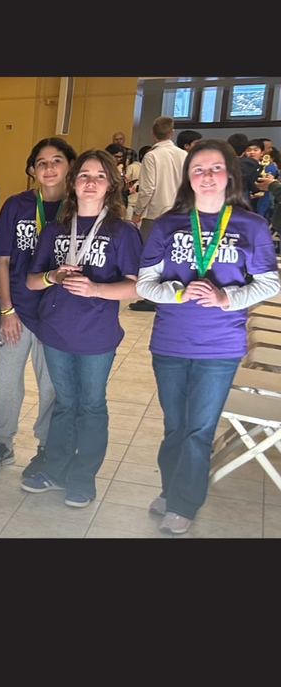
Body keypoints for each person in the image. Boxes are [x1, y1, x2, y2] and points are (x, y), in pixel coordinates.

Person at [135, 139, 280, 534]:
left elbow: (268, 284)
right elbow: (145, 284)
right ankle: (172, 489)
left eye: (215, 168)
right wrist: (179, 292)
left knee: (199, 430)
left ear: (230, 174)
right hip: (170, 342)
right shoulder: (168, 223)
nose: (207, 175)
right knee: (174, 428)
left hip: (221, 346)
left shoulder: (251, 226)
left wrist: (224, 297)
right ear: (188, 177)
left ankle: (184, 503)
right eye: (198, 168)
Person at [21, 149, 142, 508]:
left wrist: (96, 289)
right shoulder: (56, 228)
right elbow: (30, 282)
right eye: (84, 175)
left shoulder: (122, 232)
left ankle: (83, 477)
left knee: (90, 405)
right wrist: (52, 276)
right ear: (73, 182)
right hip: (56, 331)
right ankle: (55, 468)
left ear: (111, 185)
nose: (91, 182)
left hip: (97, 335)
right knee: (64, 403)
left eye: (100, 176)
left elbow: (137, 286)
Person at [0, 138, 77, 478]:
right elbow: (1, 261)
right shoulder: (17, 205)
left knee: (52, 388)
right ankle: (2, 444)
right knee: (4, 385)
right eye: (42, 162)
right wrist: (6, 310)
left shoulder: (78, 209)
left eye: (57, 161)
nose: (49, 168)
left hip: (57, 316)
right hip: (16, 311)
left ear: (69, 166)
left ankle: (46, 448)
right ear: (32, 169)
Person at [130, 116, 187, 311]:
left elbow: (147, 189)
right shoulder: (184, 155)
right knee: (176, 254)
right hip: (180, 212)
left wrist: (137, 212)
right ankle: (173, 293)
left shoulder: (152, 156)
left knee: (152, 256)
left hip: (156, 214)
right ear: (172, 133)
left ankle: (152, 298)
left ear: (152, 133)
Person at [244, 139, 273, 215]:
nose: (252, 153)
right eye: (249, 150)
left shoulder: (268, 167)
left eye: (255, 150)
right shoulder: (241, 167)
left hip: (264, 201)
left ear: (262, 152)